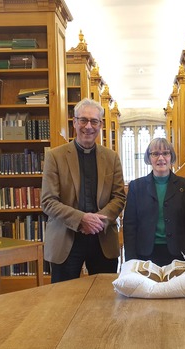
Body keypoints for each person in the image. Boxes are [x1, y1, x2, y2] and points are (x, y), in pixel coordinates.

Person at [41, 98, 126, 283]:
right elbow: (48, 201)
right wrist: (81, 220)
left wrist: (97, 222)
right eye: (83, 120)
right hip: (66, 237)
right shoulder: (55, 156)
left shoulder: (111, 158)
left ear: (100, 125)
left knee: (105, 300)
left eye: (94, 121)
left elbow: (119, 197)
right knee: (63, 301)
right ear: (74, 122)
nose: (88, 126)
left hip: (102, 237)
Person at [123, 138, 185, 266]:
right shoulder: (136, 187)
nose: (161, 158)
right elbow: (130, 225)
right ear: (149, 158)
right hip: (144, 255)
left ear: (171, 156)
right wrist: (130, 261)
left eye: (165, 153)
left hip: (178, 254)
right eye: (155, 154)